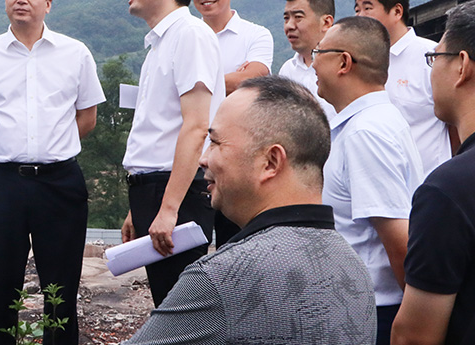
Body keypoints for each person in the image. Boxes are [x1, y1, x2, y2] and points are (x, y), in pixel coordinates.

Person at [123, 76, 376, 344]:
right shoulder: (355, 270)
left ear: (271, 162)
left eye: (216, 142)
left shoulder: (222, 277)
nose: (203, 158)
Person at [0, 0, 105, 345]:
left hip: (60, 183)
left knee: (61, 288)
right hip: (2, 183)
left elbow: (87, 117)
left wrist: (51, 147)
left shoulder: (75, 53)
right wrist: (8, 148)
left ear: (48, 3)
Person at [121, 0, 225, 307]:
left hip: (177, 193)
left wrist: (168, 209)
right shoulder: (159, 44)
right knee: (167, 306)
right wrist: (138, 207)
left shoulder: (190, 35)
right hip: (155, 188)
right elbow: (158, 129)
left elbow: (196, 127)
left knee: (182, 313)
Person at [313, 16, 424, 345]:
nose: (313, 63)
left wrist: (415, 329)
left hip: (375, 312)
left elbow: (399, 240)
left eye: (319, 52)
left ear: (343, 62)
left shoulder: (365, 133)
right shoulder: (370, 122)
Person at [392, 1, 475, 345]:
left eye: (435, 57)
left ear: (461, 66)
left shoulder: (448, 190)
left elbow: (414, 336)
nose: (431, 69)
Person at [191, 0, 272, 245]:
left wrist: (194, 84)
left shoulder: (255, 35)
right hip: (190, 162)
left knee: (236, 248)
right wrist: (230, 79)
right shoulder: (186, 36)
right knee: (188, 253)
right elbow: (238, 81)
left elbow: (254, 79)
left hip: (237, 163)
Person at [350, 0, 456, 174]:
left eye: (367, 8)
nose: (360, 17)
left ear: (397, 11)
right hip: (380, 178)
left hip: (427, 180)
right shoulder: (359, 61)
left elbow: (455, 121)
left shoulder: (431, 56)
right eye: (357, 10)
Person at [277, 0, 337, 119]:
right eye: (286, 18)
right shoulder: (288, 70)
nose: (289, 26)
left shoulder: (343, 67)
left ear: (326, 22)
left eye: (298, 17)